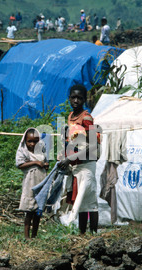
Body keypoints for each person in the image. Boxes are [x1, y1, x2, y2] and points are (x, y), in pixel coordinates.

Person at [58, 85, 100, 235]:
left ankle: (93, 233)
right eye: (73, 97)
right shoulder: (71, 116)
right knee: (82, 202)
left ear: (84, 99)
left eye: (79, 98)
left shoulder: (86, 118)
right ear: (69, 98)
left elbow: (93, 145)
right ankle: (83, 234)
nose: (76, 100)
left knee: (89, 200)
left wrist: (70, 158)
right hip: (76, 165)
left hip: (86, 164)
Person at [16, 128, 49, 239]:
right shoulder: (23, 150)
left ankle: (34, 235)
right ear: (25, 140)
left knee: (38, 210)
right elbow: (20, 164)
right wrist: (35, 163)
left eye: (35, 141)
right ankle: (26, 236)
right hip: (30, 181)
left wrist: (45, 164)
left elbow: (45, 160)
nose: (32, 144)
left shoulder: (41, 149)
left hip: (41, 180)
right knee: (29, 210)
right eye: (29, 141)